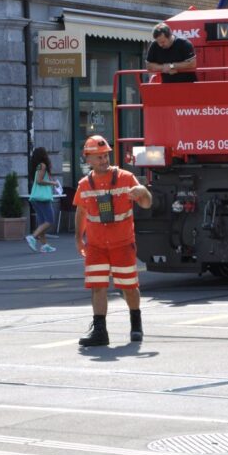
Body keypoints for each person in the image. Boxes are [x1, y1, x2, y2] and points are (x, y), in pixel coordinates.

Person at [74, 134, 153, 347]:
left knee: (129, 286)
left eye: (105, 155)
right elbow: (81, 212)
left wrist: (143, 191)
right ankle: (100, 331)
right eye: (98, 156)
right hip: (97, 246)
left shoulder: (126, 178)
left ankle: (135, 322)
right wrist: (79, 239)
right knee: (98, 286)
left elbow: (146, 203)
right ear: (88, 159)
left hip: (122, 244)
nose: (103, 159)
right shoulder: (84, 185)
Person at [26, 146, 60, 253]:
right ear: (43, 155)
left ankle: (45, 245)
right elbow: (39, 181)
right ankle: (33, 237)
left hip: (36, 197)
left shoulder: (38, 166)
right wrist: (53, 183)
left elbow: (38, 180)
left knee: (42, 223)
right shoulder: (43, 165)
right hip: (42, 198)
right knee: (49, 220)